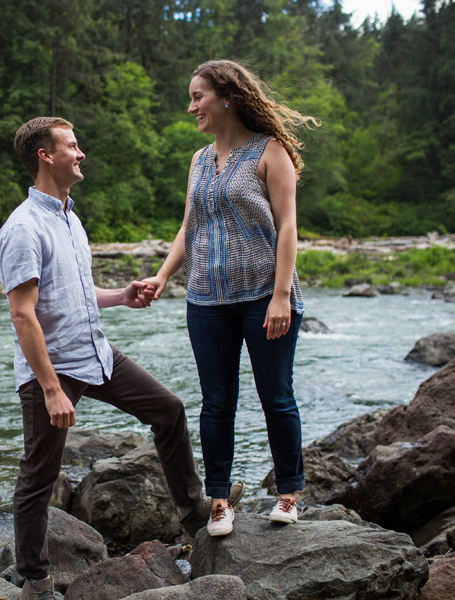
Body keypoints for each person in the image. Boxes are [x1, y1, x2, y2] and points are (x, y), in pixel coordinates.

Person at [0, 116, 211, 600]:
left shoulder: (70, 218)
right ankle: (35, 580)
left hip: (94, 351)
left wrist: (121, 296)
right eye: (72, 146)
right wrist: (51, 388)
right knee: (39, 475)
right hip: (52, 368)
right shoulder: (23, 228)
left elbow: (73, 291)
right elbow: (22, 315)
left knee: (169, 409)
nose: (82, 153)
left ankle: (193, 512)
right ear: (45, 156)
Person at [144, 59, 317, 537]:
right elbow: (189, 226)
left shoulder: (270, 151)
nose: (191, 105)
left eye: (198, 96)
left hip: (266, 296)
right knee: (216, 403)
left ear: (227, 97)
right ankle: (219, 503)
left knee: (275, 397)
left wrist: (281, 295)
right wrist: (161, 277)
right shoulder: (199, 160)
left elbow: (287, 226)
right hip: (205, 299)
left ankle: (288, 495)